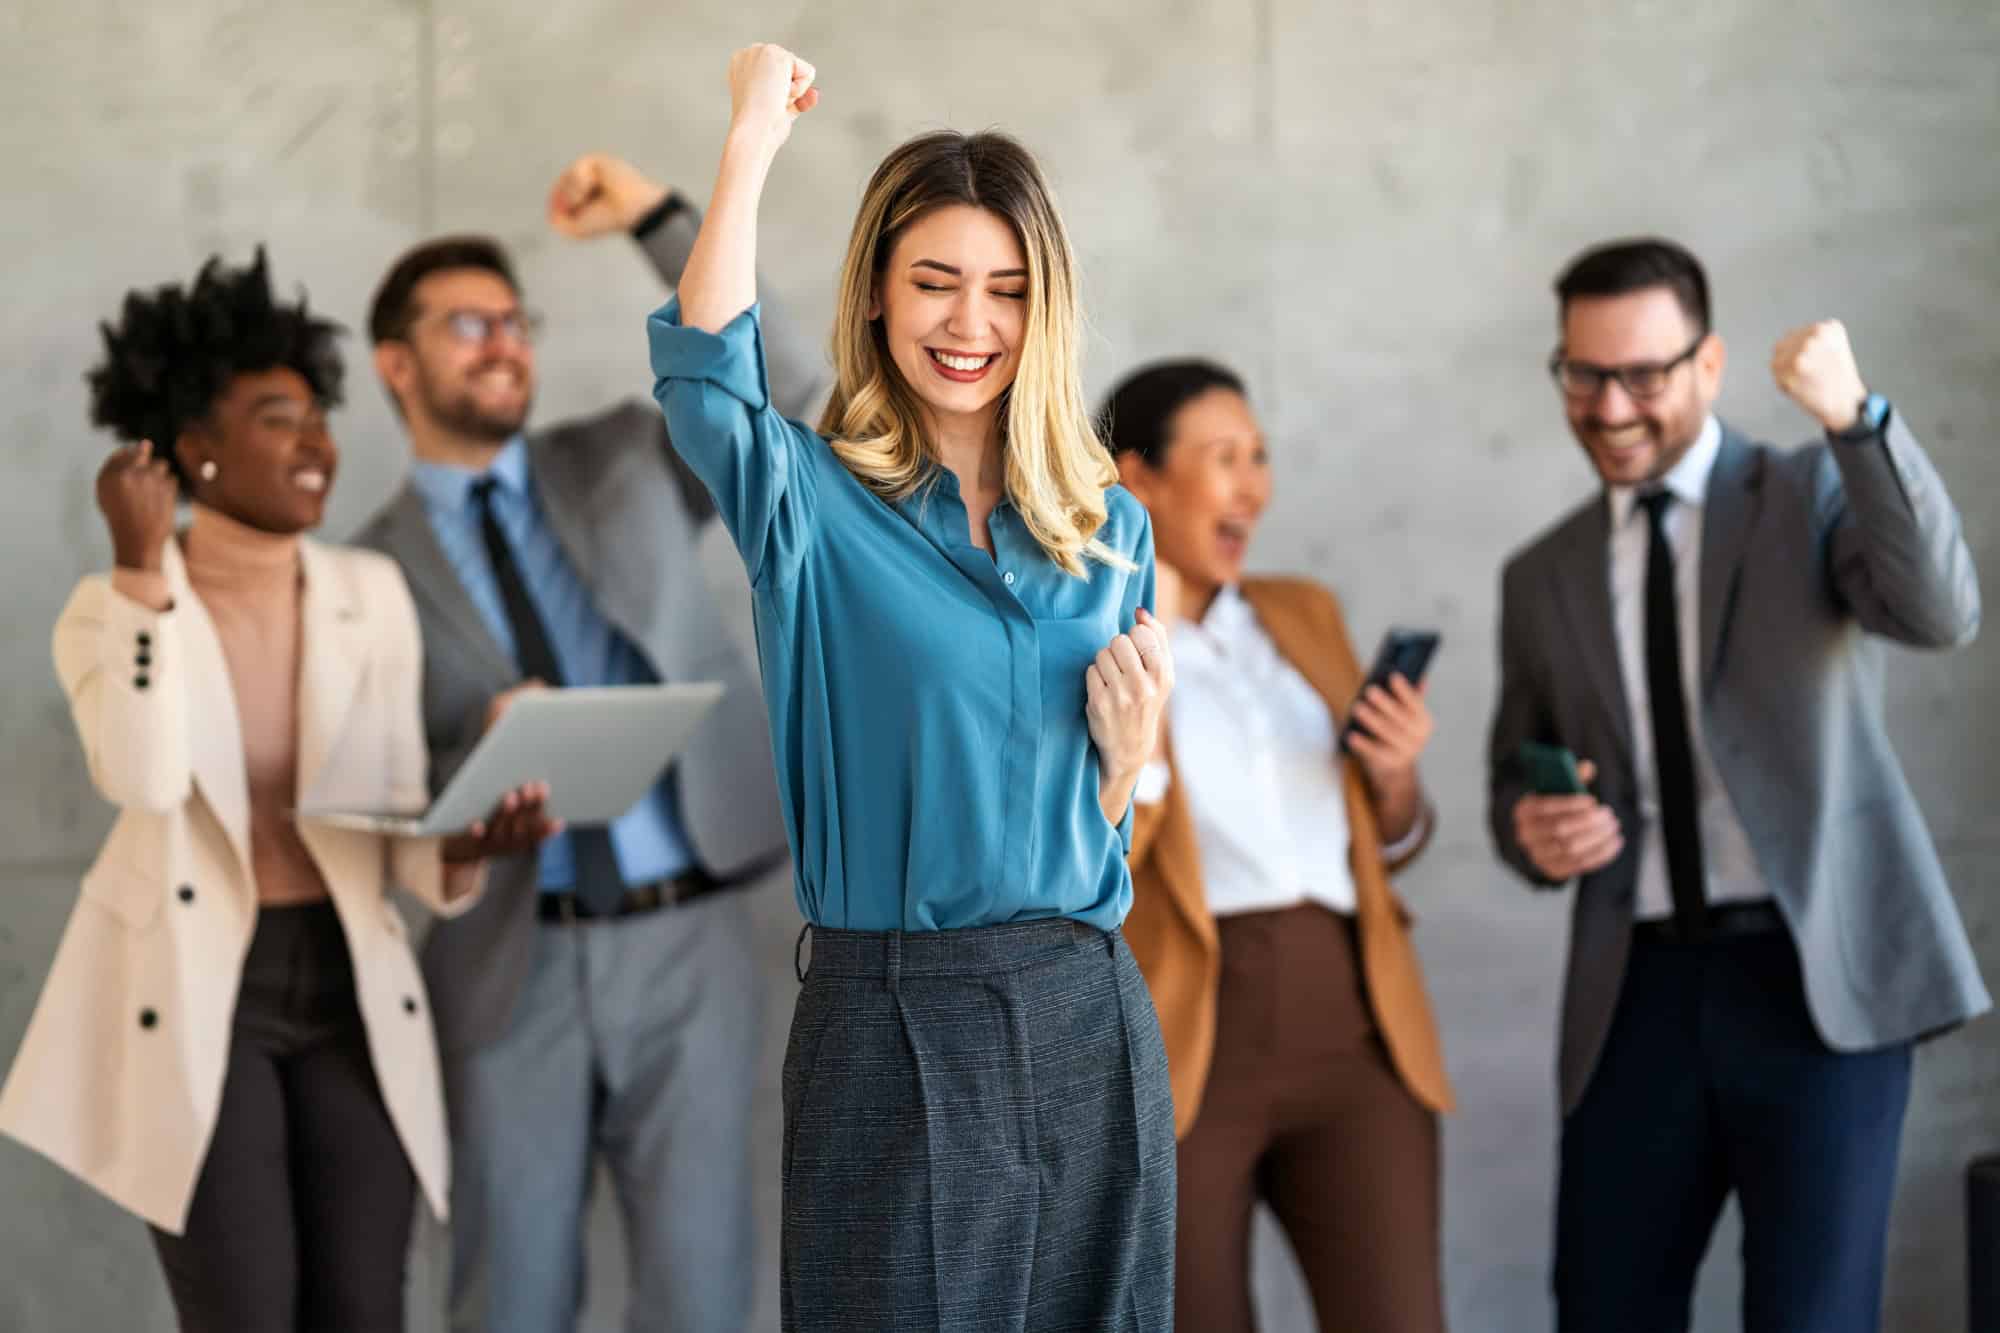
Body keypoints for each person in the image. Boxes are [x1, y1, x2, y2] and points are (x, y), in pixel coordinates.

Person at [648, 44, 1176, 1330]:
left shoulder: (1106, 529)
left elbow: (1107, 807)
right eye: (933, 282)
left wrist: (1128, 761)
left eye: (1003, 290)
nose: (968, 323)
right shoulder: (812, 509)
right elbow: (704, 374)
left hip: (1086, 1010)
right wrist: (749, 138)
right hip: (891, 1017)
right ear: (877, 298)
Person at [0, 251, 550, 1332]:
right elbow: (146, 776)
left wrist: (465, 845)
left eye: (318, 417)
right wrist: (142, 573)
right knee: (245, 1312)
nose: (317, 444)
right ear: (193, 452)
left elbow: (384, 817)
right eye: (276, 417)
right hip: (204, 990)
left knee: (361, 1308)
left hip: (348, 983)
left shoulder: (368, 592)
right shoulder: (109, 609)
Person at [352, 151, 819, 1333]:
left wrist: (660, 221)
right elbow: (359, 792)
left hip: (691, 938)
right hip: (509, 964)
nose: (504, 341)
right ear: (394, 364)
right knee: (508, 1298)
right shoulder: (358, 574)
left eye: (514, 318)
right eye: (468, 323)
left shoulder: (620, 450)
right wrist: (470, 762)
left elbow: (793, 388)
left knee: (703, 1293)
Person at [1487, 236, 1987, 1332]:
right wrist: (1534, 829)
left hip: (1816, 980)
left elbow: (1939, 610)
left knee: (1811, 1317)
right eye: (1582, 374)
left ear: (1707, 365)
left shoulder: (1807, 489)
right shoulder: (1540, 575)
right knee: (1604, 1309)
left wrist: (1854, 417)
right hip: (1635, 993)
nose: (1608, 406)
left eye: (1641, 375)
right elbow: (1508, 784)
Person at [1105, 358, 1455, 1332]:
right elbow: (1093, 858)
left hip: (1354, 1029)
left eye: (1257, 456)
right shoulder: (1090, 635)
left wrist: (1392, 779)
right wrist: (1146, 659)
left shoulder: (1302, 611)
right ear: (1138, 478)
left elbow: (1385, 838)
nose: (1252, 483)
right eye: (1223, 458)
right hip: (1188, 1038)